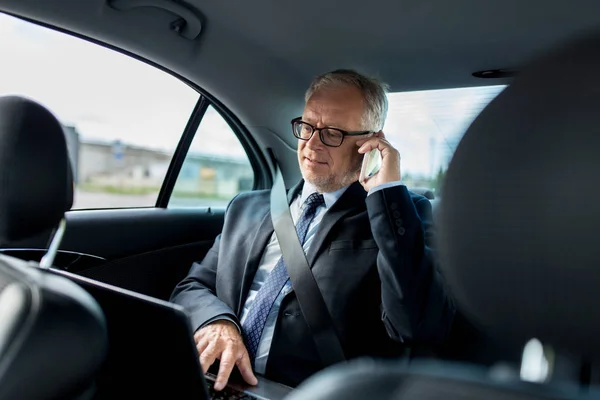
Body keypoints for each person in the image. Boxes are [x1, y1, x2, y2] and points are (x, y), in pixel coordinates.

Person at [170, 69, 455, 390]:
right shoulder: (246, 208)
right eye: (307, 127)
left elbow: (418, 325)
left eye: (332, 132)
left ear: (371, 141)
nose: (312, 144)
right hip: (216, 385)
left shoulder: (400, 214)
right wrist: (217, 323)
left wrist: (385, 194)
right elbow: (192, 286)